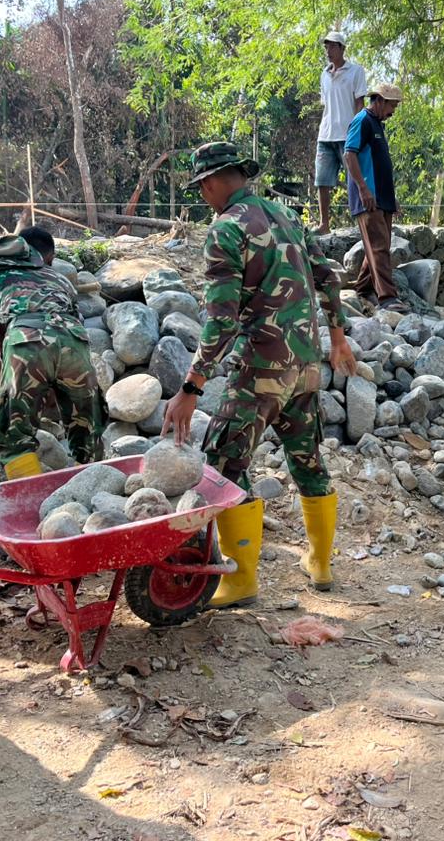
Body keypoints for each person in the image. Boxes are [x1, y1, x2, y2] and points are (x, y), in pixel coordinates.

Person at [162, 142, 356, 608]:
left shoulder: (225, 230)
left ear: (210, 183)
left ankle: (242, 578)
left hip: (261, 369)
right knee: (306, 457)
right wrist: (338, 337)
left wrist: (192, 386)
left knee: (226, 461)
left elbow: (221, 320)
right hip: (307, 365)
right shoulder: (286, 216)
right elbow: (327, 277)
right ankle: (321, 565)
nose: (204, 198)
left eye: (201, 189)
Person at [0, 226, 104, 479]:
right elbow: (65, 331)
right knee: (87, 433)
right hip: (75, 345)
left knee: (14, 436)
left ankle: (31, 502)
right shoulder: (61, 280)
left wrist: (3, 386)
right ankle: (90, 494)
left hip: (25, 342)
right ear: (46, 257)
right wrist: (54, 386)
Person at [342, 83, 406, 312]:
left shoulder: (377, 125)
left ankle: (363, 288)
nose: (393, 110)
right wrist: (363, 189)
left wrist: (391, 198)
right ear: (379, 100)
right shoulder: (363, 120)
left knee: (380, 245)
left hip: (382, 196)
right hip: (369, 197)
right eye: (392, 104)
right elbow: (350, 154)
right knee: (379, 246)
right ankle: (387, 298)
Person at [313, 31, 367, 235]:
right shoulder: (324, 75)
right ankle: (324, 223)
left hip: (348, 135)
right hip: (326, 134)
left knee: (355, 178)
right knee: (322, 181)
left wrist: (358, 131)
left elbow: (360, 103)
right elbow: (327, 105)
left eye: (332, 46)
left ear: (342, 48)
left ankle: (361, 221)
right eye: (326, 46)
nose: (328, 50)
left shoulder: (355, 71)